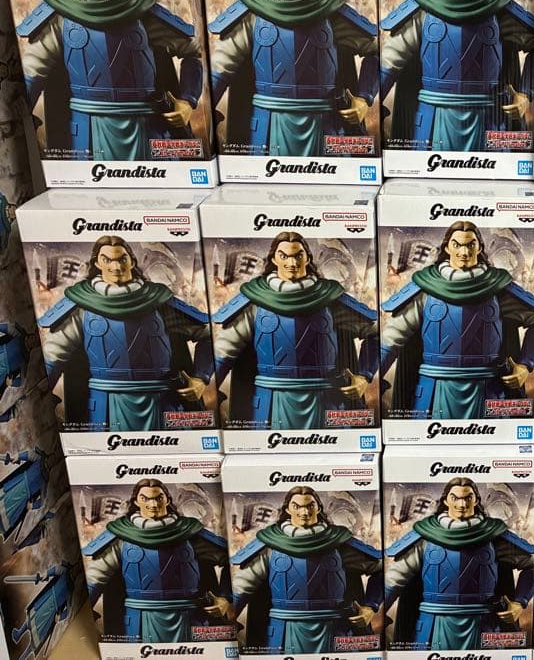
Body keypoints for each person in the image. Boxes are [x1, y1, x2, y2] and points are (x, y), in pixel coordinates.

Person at [18, 0, 204, 160]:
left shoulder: (140, 7)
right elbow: (32, 72)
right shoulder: (60, 14)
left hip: (147, 124)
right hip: (87, 129)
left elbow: (192, 51)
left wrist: (187, 101)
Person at [209, 0, 379, 157]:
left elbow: (375, 50)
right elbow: (221, 65)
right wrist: (195, 104)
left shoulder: (329, 7)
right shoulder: (253, 9)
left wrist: (364, 98)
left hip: (324, 120)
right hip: (269, 123)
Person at [380, 0, 534, 152]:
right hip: (434, 116)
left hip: (488, 115)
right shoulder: (424, 5)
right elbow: (391, 58)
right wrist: (366, 98)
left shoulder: (498, 5)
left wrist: (525, 93)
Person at [39, 235, 212, 431]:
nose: (116, 266)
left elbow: (207, 335)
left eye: (122, 259)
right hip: (105, 406)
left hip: (163, 401)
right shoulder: (81, 306)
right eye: (107, 260)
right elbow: (52, 355)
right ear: (97, 263)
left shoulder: (159, 301)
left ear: (132, 261)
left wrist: (201, 378)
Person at [212, 231, 377, 430]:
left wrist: (364, 375)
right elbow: (224, 350)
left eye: (298, 255)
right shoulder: (254, 300)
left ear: (307, 258)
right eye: (284, 256)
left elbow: (375, 333)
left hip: (325, 398)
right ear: (274, 259)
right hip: (271, 401)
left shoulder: (330, 298)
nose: (291, 263)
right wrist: (206, 382)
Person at [381, 221, 534, 419]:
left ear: (479, 247)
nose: (464, 252)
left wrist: (525, 365)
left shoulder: (498, 287)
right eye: (457, 245)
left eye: (470, 245)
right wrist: (367, 376)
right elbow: (392, 337)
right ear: (447, 247)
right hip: (434, 390)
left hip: (488, 388)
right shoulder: (425, 288)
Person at [384, 476, 534, 649]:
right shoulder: (425, 537)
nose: (462, 504)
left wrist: (520, 602)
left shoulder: (494, 535)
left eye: (467, 498)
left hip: (483, 622)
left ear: (476, 500)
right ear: (446, 500)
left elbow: (531, 566)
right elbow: (394, 579)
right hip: (434, 623)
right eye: (455, 498)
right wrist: (374, 608)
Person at [228, 485, 382, 654]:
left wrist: (371, 606)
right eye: (297, 506)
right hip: (285, 630)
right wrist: (228, 607)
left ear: (318, 508)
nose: (304, 512)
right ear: (288, 509)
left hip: (335, 628)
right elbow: (242, 585)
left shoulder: (339, 543)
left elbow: (380, 570)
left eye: (310, 506)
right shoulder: (270, 545)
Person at [83, 479, 229, 641]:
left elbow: (232, 562)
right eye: (145, 498)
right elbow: (95, 577)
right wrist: (86, 612)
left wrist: (225, 598)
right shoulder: (121, 536)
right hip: (139, 620)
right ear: (136, 502)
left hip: (190, 616)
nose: (152, 504)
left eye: (158, 498)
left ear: (167, 500)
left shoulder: (190, 532)